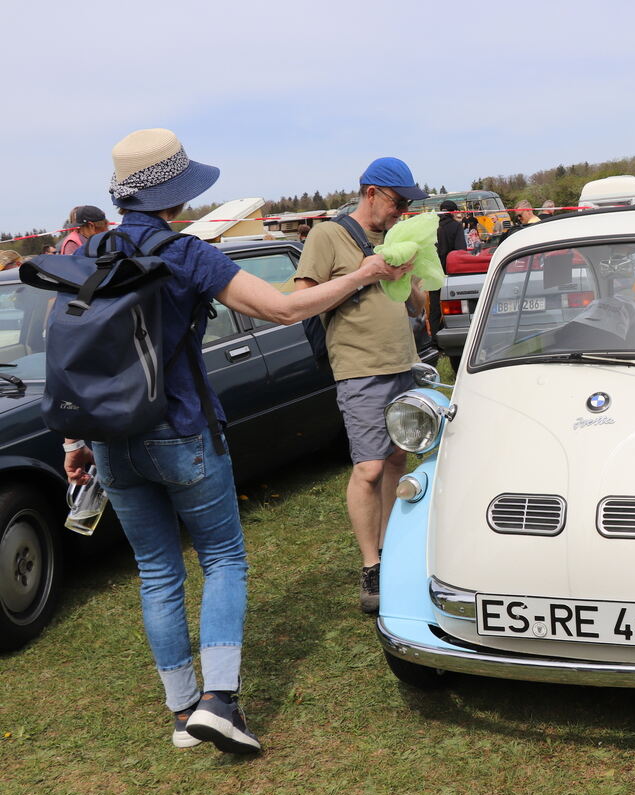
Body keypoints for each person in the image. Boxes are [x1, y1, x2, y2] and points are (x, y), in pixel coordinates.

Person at [61, 128, 413, 754]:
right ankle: (219, 702)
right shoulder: (186, 252)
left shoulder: (95, 251)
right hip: (183, 429)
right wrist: (364, 272)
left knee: (157, 573)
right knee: (223, 558)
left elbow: (83, 354)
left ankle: (180, 713)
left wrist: (74, 440)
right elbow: (283, 308)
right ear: (178, 192)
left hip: (112, 439)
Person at [293, 157, 429, 617]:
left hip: (402, 363)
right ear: (371, 192)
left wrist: (407, 273)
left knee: (396, 460)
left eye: (408, 204)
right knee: (369, 468)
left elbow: (420, 301)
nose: (402, 211)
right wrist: (365, 274)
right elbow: (301, 302)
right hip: (359, 369)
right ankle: (371, 565)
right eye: (397, 202)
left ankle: (393, 551)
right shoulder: (327, 235)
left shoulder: (395, 236)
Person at [434, 200, 466, 332]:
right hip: (451, 270)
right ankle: (454, 329)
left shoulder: (433, 226)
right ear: (453, 212)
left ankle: (435, 338)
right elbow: (461, 250)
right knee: (453, 302)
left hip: (433, 270)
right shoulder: (456, 226)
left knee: (435, 305)